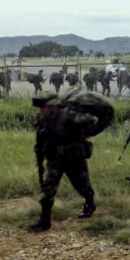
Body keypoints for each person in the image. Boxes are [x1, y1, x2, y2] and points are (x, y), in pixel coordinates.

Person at [30, 92, 98, 232]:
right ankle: (45, 220)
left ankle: (90, 202)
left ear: (53, 106)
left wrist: (84, 135)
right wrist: (39, 153)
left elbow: (91, 121)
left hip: (74, 157)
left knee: (81, 184)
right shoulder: (42, 118)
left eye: (44, 108)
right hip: (54, 158)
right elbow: (40, 136)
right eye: (40, 108)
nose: (41, 111)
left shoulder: (69, 115)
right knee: (48, 187)